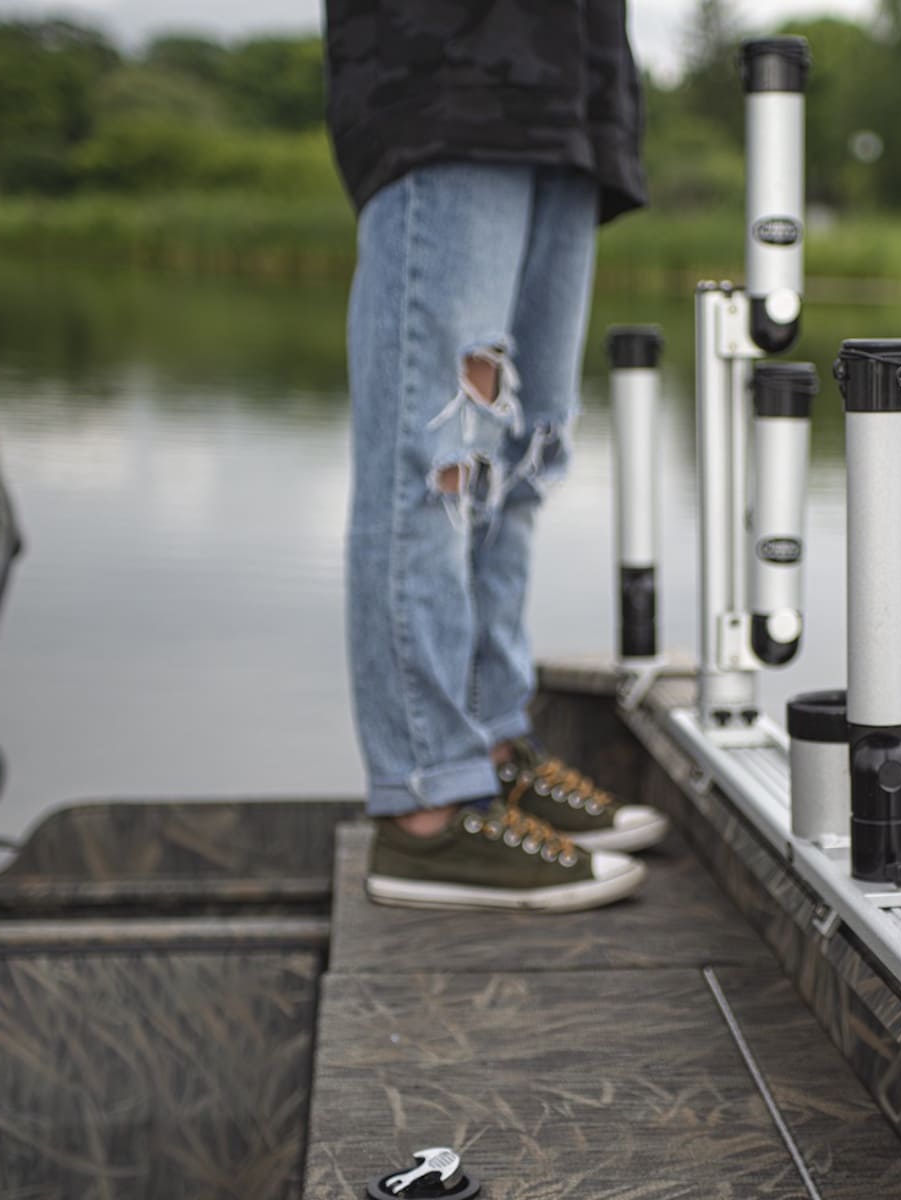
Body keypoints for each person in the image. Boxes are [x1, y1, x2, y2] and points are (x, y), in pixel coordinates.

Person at [324, 0, 668, 912]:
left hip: (572, 95)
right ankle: (428, 809)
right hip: (446, 75)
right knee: (433, 467)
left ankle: (491, 753)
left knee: (519, 462)